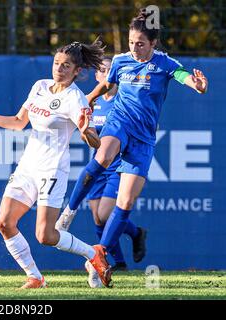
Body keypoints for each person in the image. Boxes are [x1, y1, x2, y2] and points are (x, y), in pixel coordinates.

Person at [55, 8, 208, 283]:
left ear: (153, 44)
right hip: (120, 123)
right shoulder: (121, 61)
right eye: (131, 43)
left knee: (125, 202)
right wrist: (89, 97)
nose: (135, 48)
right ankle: (69, 211)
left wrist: (196, 85)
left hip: (144, 139)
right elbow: (108, 84)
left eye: (140, 43)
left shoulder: (164, 63)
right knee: (102, 157)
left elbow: (184, 76)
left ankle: (99, 255)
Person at [0, 40, 113, 288]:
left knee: (45, 236)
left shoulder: (75, 99)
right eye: (57, 63)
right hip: (28, 166)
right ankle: (35, 277)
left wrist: (85, 131)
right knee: (4, 222)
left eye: (66, 66)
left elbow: (96, 143)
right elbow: (18, 122)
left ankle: (93, 253)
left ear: (77, 71)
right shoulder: (40, 86)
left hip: (52, 168)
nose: (59, 68)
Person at [56, 57, 146, 287]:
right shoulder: (91, 103)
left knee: (106, 213)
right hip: (99, 163)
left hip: (118, 165)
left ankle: (134, 235)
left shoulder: (123, 101)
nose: (105, 74)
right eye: (101, 71)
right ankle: (119, 262)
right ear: (96, 76)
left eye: (109, 70)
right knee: (98, 219)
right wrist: (86, 131)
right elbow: (89, 138)